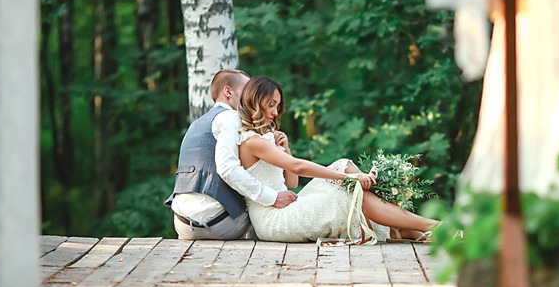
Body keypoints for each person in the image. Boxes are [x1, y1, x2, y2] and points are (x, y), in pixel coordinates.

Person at [236, 76, 438, 243]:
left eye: (277, 106)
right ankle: (429, 226)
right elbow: (298, 168)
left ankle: (406, 229)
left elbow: (291, 183)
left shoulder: (266, 138)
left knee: (346, 166)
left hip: (287, 204)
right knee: (352, 190)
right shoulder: (251, 142)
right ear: (256, 101)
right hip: (274, 220)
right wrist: (347, 178)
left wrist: (286, 149)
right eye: (271, 105)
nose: (274, 112)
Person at [166, 69, 298, 240]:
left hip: (181, 223)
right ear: (228, 92)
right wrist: (273, 198)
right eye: (247, 92)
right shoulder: (231, 118)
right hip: (217, 224)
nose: (252, 98)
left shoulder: (197, 124)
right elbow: (228, 169)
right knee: (262, 210)